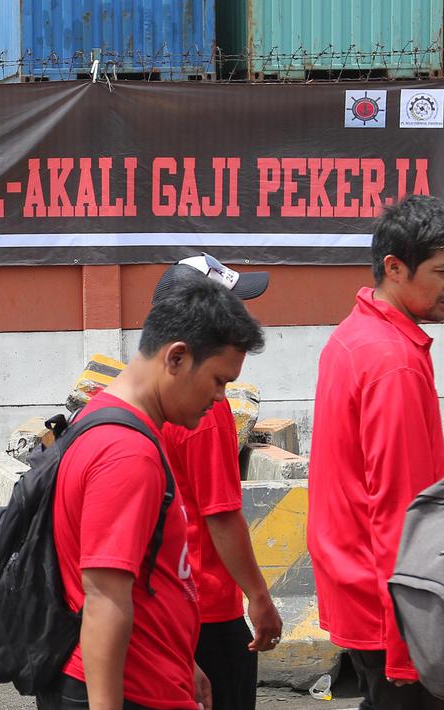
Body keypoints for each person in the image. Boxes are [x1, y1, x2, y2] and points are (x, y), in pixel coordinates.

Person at [44, 277, 266, 710]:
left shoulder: (108, 417)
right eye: (218, 380)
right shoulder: (127, 454)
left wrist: (180, 660)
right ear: (177, 358)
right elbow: (104, 598)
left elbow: (145, 583)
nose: (219, 398)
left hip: (148, 671)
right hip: (130, 689)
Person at [307, 194, 444, 709]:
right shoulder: (391, 360)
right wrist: (406, 643)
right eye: (443, 271)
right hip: (389, 609)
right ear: (395, 267)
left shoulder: (357, 334)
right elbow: (400, 508)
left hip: (361, 590)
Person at [152, 255, 283, 710]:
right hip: (207, 606)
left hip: (167, 606)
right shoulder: (207, 409)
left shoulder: (145, 399)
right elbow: (221, 514)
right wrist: (259, 597)